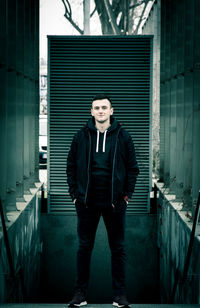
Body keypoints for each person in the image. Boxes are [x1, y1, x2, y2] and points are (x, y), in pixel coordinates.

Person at [67, 94, 139, 308]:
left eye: (104, 107)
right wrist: (74, 195)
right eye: (96, 108)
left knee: (118, 248)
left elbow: (133, 168)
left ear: (111, 111)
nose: (100, 111)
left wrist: (126, 196)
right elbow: (70, 166)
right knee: (84, 247)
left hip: (115, 203)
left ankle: (119, 296)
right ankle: (80, 294)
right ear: (91, 112)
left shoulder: (123, 136)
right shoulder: (80, 136)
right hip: (87, 202)